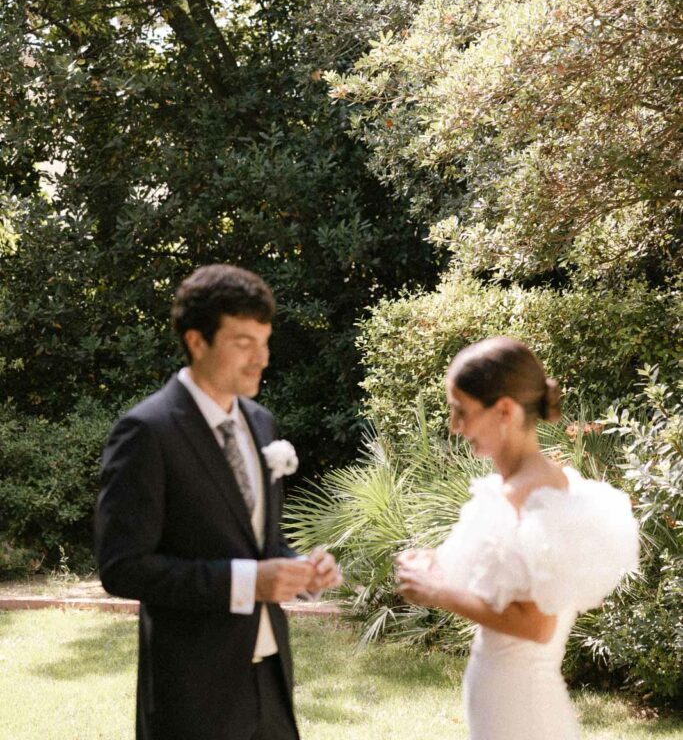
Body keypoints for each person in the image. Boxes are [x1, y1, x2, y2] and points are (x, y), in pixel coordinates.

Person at [96, 264, 341, 740]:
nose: (261, 359)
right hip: (194, 693)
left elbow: (256, 542)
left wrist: (300, 570)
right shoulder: (147, 432)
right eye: (243, 342)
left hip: (271, 681)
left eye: (265, 342)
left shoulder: (261, 422)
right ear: (196, 341)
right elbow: (122, 567)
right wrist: (248, 581)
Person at [395, 336, 639, 740]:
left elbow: (537, 626)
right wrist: (431, 567)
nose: (455, 426)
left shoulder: (538, 495)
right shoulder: (519, 487)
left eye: (462, 411)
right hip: (504, 703)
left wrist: (438, 593)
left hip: (522, 709)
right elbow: (503, 583)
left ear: (505, 410)